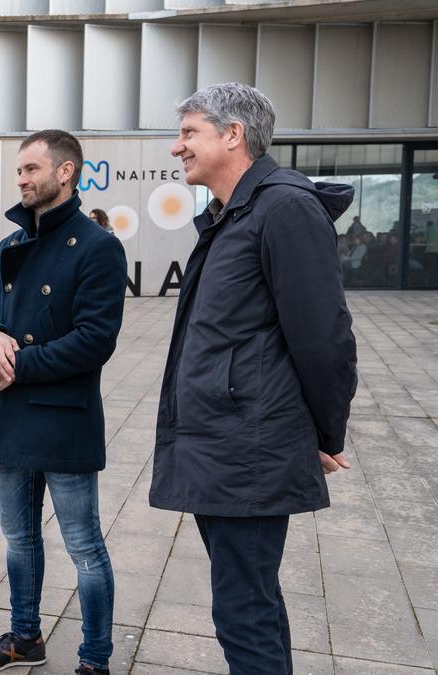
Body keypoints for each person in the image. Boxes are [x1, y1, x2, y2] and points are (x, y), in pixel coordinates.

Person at [149, 83, 357, 674]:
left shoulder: (283, 208)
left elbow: (324, 337)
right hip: (226, 444)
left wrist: (323, 433)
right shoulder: (232, 212)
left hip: (249, 451)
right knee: (248, 605)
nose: (177, 147)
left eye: (189, 133)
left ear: (232, 135)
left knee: (243, 611)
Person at [0, 129, 128, 675]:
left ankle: (95, 659)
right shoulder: (11, 246)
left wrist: (16, 367)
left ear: (65, 172)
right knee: (18, 540)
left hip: (63, 419)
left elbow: (95, 340)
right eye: (19, 171)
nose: (21, 179)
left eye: (32, 169)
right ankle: (25, 637)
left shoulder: (99, 247)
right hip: (10, 419)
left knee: (84, 547)